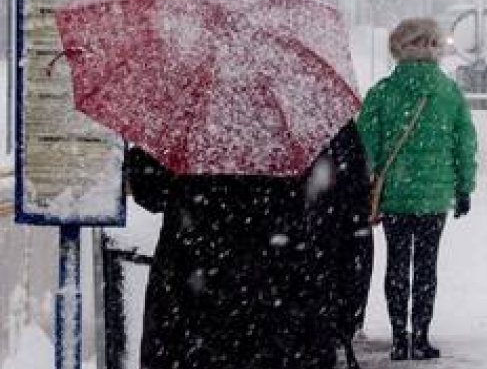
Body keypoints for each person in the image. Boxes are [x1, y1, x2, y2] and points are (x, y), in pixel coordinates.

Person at [127, 122, 372, 369]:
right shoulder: (324, 121)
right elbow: (354, 234)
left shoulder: (190, 114)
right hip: (293, 317)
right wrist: (343, 319)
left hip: (194, 313)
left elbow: (149, 188)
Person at [358, 17, 479, 361]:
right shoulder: (449, 92)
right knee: (426, 266)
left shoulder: (382, 93)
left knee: (396, 265)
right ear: (435, 48)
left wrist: (369, 184)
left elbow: (365, 145)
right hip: (434, 195)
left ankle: (399, 338)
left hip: (395, 193)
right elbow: (464, 143)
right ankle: (421, 337)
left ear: (398, 48)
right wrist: (464, 187)